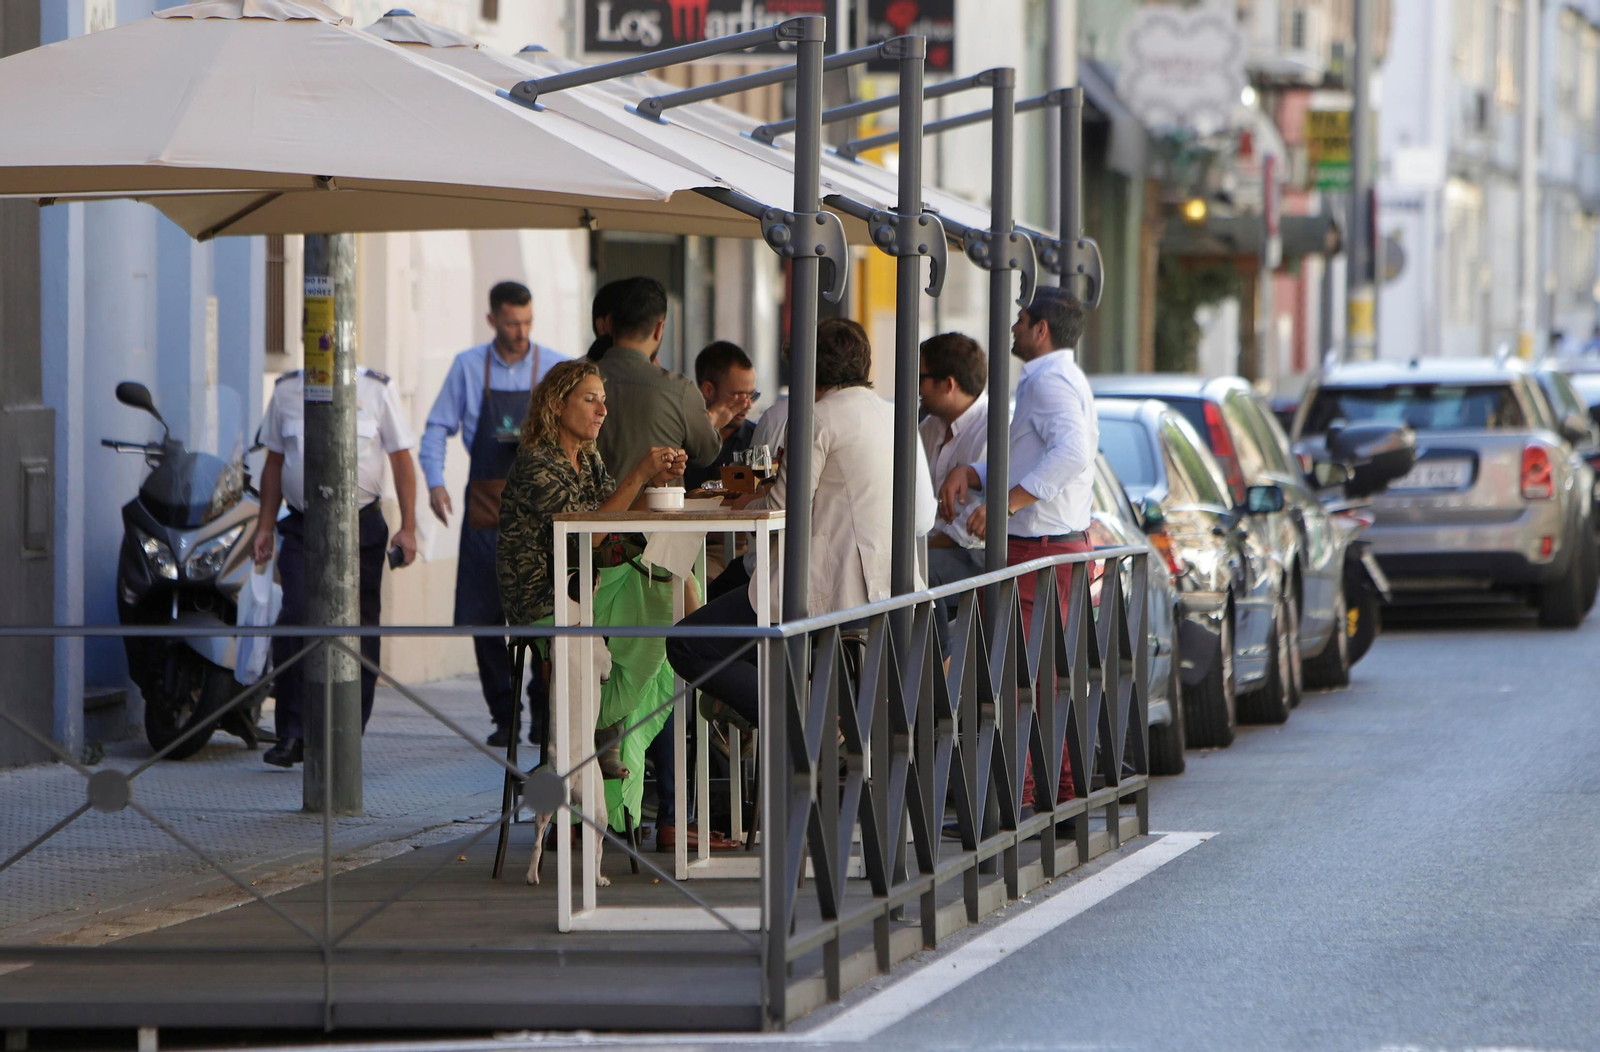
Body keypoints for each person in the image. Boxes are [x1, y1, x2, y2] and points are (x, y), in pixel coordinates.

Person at [667, 319, 936, 731]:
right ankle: (802, 719)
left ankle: (806, 716)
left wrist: (741, 498)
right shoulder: (895, 415)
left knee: (685, 643)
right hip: (897, 589)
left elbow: (780, 509)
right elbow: (921, 516)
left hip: (825, 592)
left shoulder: (813, 419)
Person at [592, 278, 745, 851]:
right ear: (660, 329)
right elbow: (709, 455)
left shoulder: (577, 383)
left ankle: (597, 806)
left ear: (605, 323)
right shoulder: (675, 389)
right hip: (655, 560)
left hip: (581, 572)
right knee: (669, 666)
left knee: (628, 673)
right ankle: (669, 816)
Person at [496, 359, 687, 816]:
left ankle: (615, 726)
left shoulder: (589, 458)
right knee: (667, 582)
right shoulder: (538, 462)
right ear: (557, 404)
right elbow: (591, 536)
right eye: (590, 399)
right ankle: (608, 723)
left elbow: (614, 520)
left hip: (587, 585)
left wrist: (656, 483)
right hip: (547, 600)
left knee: (671, 572)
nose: (602, 410)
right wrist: (639, 474)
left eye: (605, 401)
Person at [937, 286, 1097, 817]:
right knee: (1041, 676)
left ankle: (1021, 798)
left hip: (1038, 547)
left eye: (1020, 320)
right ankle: (1060, 794)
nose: (1012, 330)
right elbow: (1030, 452)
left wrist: (1006, 504)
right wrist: (976, 472)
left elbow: (1072, 452)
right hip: (1046, 545)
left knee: (1017, 676)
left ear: (1040, 329)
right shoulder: (1056, 379)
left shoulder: (1049, 383)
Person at [421, 280, 570, 748]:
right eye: (511, 322)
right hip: (487, 506)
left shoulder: (553, 366)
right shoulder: (467, 367)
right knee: (485, 617)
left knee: (544, 614)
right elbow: (436, 428)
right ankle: (503, 712)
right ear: (492, 320)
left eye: (527, 322)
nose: (520, 331)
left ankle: (542, 710)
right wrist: (435, 482)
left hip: (540, 507)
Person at [252, 365, 418, 768]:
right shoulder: (288, 388)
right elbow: (274, 462)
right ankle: (292, 732)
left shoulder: (377, 388)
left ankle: (347, 734)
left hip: (360, 524)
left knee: (359, 627)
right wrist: (264, 526)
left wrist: (409, 527)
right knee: (294, 620)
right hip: (302, 524)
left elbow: (400, 459)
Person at [594, 276, 742, 477]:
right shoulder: (679, 391)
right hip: (655, 507)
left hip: (587, 508)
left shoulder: (571, 383)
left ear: (609, 324)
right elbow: (705, 453)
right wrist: (712, 422)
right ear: (659, 328)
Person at [917, 332, 990, 656]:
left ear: (948, 384)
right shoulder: (928, 427)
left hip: (976, 557)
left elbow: (969, 532)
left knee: (912, 575)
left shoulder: (993, 427)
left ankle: (935, 683)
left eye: (921, 378)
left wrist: (917, 548)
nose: (916, 388)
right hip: (931, 547)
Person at [684, 341, 761, 491]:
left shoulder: (757, 439)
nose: (748, 405)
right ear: (708, 390)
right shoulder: (682, 439)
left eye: (752, 396)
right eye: (739, 396)